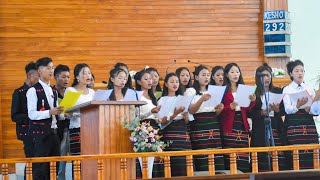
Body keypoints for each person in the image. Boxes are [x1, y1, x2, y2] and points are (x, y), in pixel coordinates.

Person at [26, 57, 65, 180]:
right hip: (40, 135)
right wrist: (50, 112)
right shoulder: (33, 91)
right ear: (39, 71)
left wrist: (65, 114)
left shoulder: (53, 90)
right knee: (40, 169)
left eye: (52, 68)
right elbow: (32, 114)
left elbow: (57, 112)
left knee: (54, 167)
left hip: (54, 133)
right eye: (48, 68)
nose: (51, 71)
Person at [185, 65, 225, 171]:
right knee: (202, 154)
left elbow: (215, 113)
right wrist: (202, 99)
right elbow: (191, 110)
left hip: (213, 124)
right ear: (197, 77)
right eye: (203, 75)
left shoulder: (213, 90)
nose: (206, 77)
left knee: (215, 154)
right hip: (199, 124)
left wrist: (220, 109)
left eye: (208, 75)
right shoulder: (191, 91)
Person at [248, 64, 287, 171]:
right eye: (263, 76)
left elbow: (283, 110)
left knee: (278, 159)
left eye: (268, 75)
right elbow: (249, 112)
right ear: (258, 78)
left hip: (275, 126)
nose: (266, 78)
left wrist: (277, 110)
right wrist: (262, 112)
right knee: (262, 160)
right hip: (260, 129)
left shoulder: (278, 91)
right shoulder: (254, 93)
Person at [219, 63, 256, 173]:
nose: (236, 74)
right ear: (227, 74)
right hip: (229, 124)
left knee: (243, 153)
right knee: (231, 154)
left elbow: (248, 109)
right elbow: (219, 110)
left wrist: (253, 101)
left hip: (242, 123)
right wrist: (228, 107)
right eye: (232, 72)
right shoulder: (223, 90)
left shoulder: (244, 88)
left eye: (237, 72)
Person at [282, 60, 318, 169]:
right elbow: (287, 110)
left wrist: (311, 109)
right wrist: (297, 106)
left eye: (302, 71)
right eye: (296, 71)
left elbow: (316, 111)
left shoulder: (309, 88)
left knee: (312, 153)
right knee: (297, 154)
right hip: (294, 125)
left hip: (308, 124)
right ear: (291, 73)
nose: (300, 73)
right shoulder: (287, 89)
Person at [158, 73, 191, 176]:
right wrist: (175, 114)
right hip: (169, 133)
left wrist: (186, 117)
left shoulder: (182, 99)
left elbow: (187, 121)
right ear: (166, 84)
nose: (175, 84)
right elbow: (162, 123)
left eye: (177, 81)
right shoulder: (161, 100)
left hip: (183, 133)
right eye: (172, 82)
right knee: (172, 164)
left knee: (185, 162)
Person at [11, 61, 39, 178]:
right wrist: (32, 115)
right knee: (31, 161)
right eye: (38, 75)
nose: (39, 78)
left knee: (40, 163)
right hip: (27, 132)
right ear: (29, 75)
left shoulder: (39, 91)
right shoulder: (19, 93)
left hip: (40, 131)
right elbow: (15, 116)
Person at [134, 69, 163, 178]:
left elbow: (156, 115)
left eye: (150, 78)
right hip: (142, 130)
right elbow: (135, 117)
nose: (149, 81)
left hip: (154, 130)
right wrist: (151, 112)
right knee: (144, 161)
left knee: (155, 160)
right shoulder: (137, 96)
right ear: (139, 82)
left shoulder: (153, 97)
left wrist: (159, 117)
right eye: (146, 79)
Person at [66, 64, 95, 156]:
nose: (88, 76)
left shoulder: (92, 92)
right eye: (84, 73)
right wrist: (71, 114)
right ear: (77, 77)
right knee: (78, 160)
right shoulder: (71, 90)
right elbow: (63, 113)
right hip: (77, 129)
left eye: (89, 73)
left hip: (92, 129)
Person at [53, 64, 70, 180]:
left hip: (71, 128)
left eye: (68, 77)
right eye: (63, 77)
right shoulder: (51, 92)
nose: (66, 80)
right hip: (58, 131)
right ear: (56, 77)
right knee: (59, 160)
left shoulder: (70, 93)